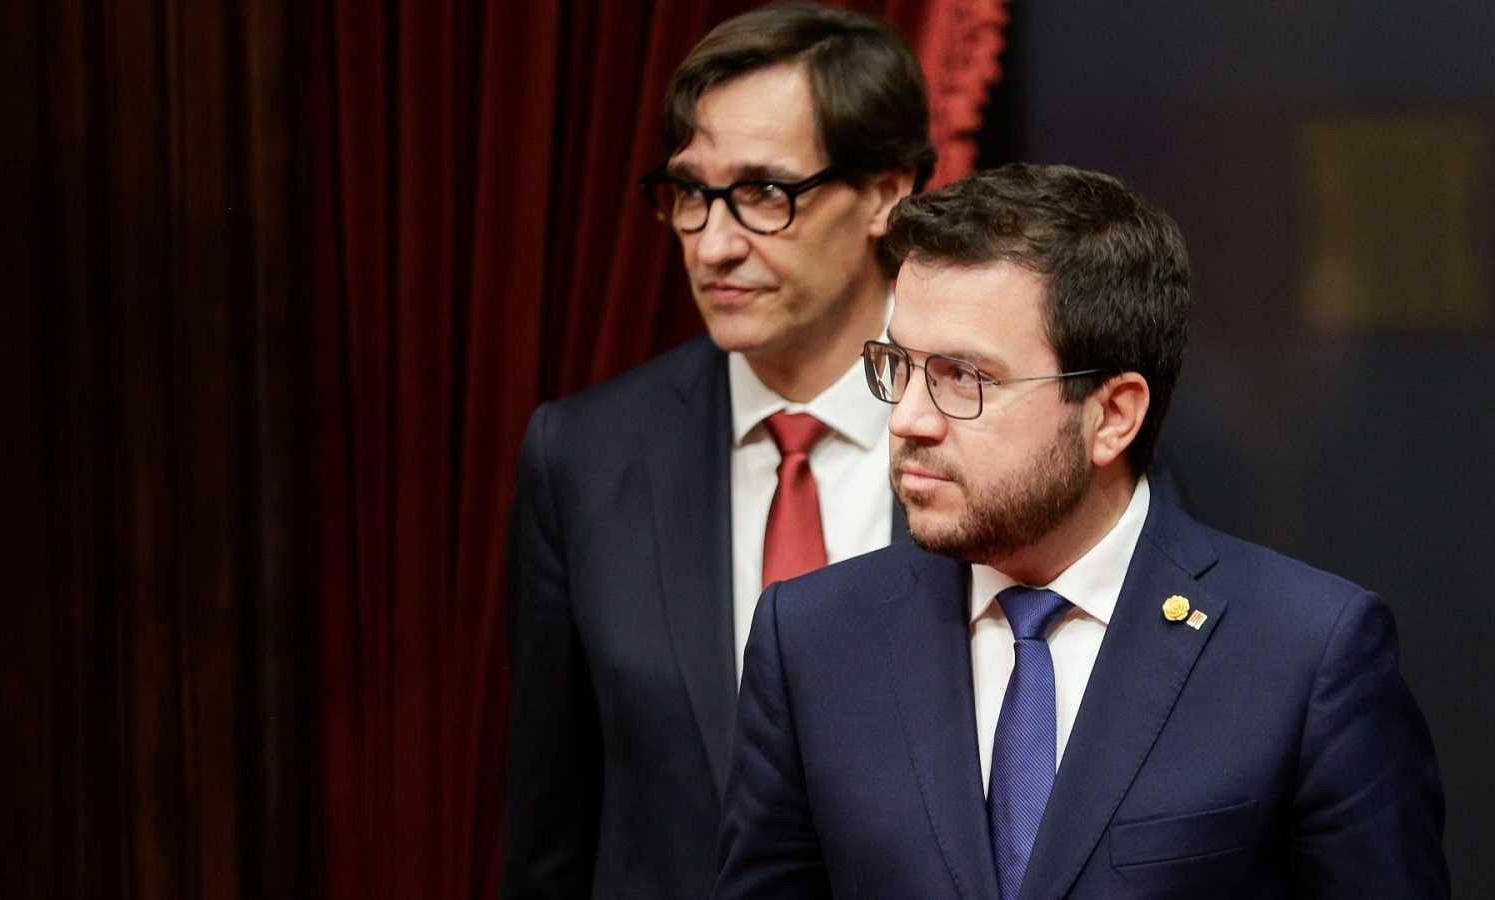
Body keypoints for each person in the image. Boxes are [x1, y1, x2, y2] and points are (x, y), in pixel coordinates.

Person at [714, 163, 1449, 899]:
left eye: (962, 377)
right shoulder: (813, 640)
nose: (907, 418)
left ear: (1114, 415)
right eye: (898, 366)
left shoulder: (1304, 655)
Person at [500, 4, 935, 898]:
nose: (714, 243)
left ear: (887, 194)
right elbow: (551, 819)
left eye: (766, 193)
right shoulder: (583, 455)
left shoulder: (995, 426)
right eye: (691, 194)